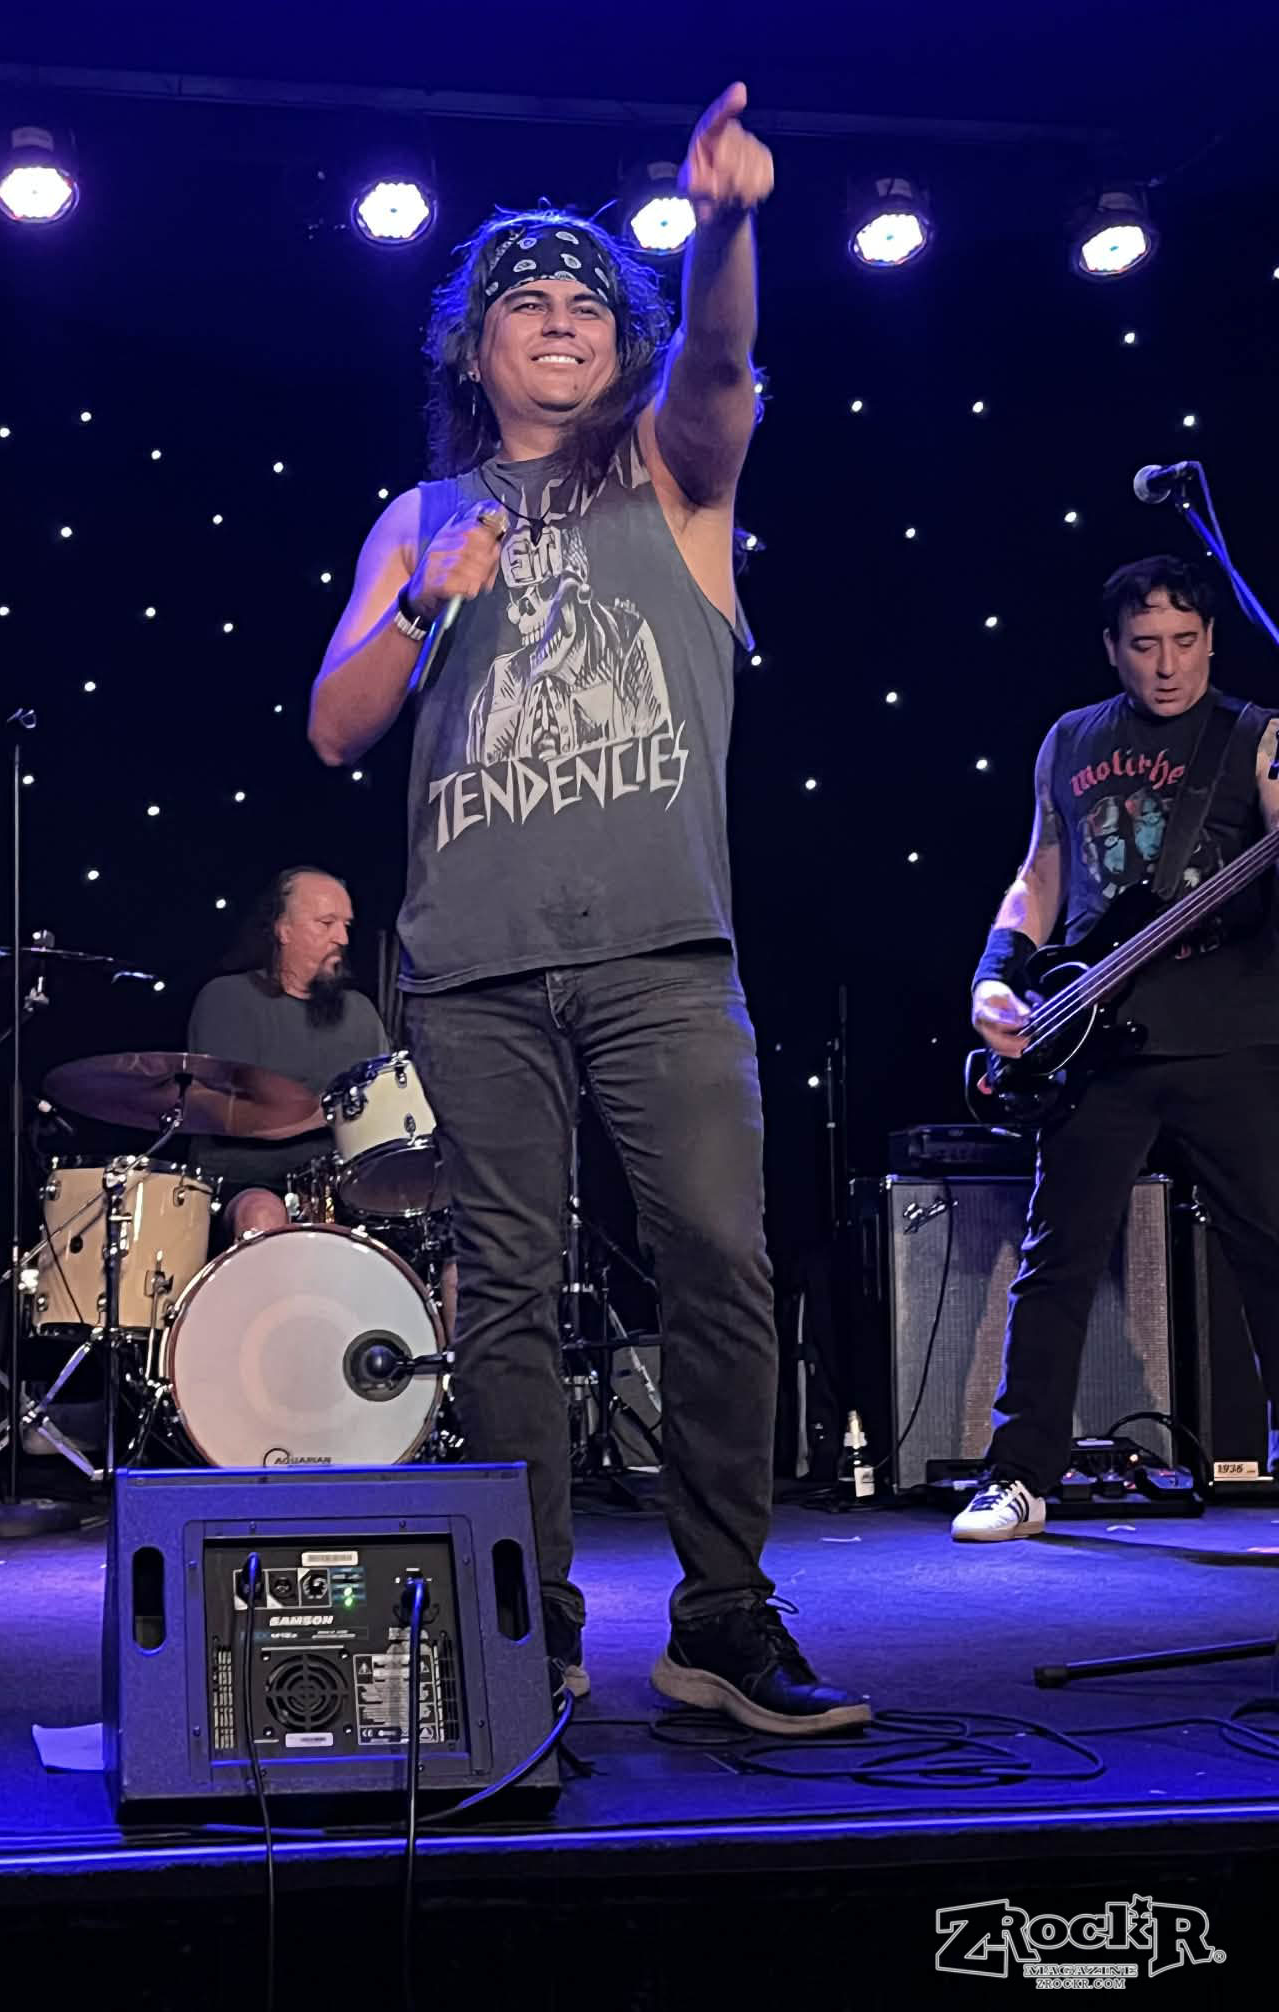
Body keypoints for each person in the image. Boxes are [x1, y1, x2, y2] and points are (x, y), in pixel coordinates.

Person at [307, 82, 869, 1734]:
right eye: (525, 304)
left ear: (620, 344)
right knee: (504, 1293)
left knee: (718, 1261)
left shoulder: (676, 476)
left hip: (660, 954)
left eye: (586, 305)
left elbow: (721, 360)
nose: (558, 320)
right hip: (474, 968)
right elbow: (336, 726)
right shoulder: (418, 517)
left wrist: (730, 226)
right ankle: (525, 1626)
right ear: (473, 352)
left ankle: (722, 1617)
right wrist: (421, 603)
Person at [956, 554, 1279, 1541]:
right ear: (1112, 648)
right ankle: (1018, 1475)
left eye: (1184, 641)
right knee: (1056, 1260)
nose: (1167, 665)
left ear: (1213, 639)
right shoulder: (1071, 739)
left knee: (1272, 1248)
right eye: (1145, 645)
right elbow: (1040, 872)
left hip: (1231, 1033)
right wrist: (996, 975)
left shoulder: (1258, 738)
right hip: (1094, 1039)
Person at [186, 867, 388, 1238]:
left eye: (346, 925)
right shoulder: (228, 999)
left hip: (342, 1186)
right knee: (263, 1213)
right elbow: (218, 1109)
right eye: (326, 923)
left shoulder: (360, 1011)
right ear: (283, 929)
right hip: (249, 1179)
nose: (342, 938)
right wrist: (325, 1112)